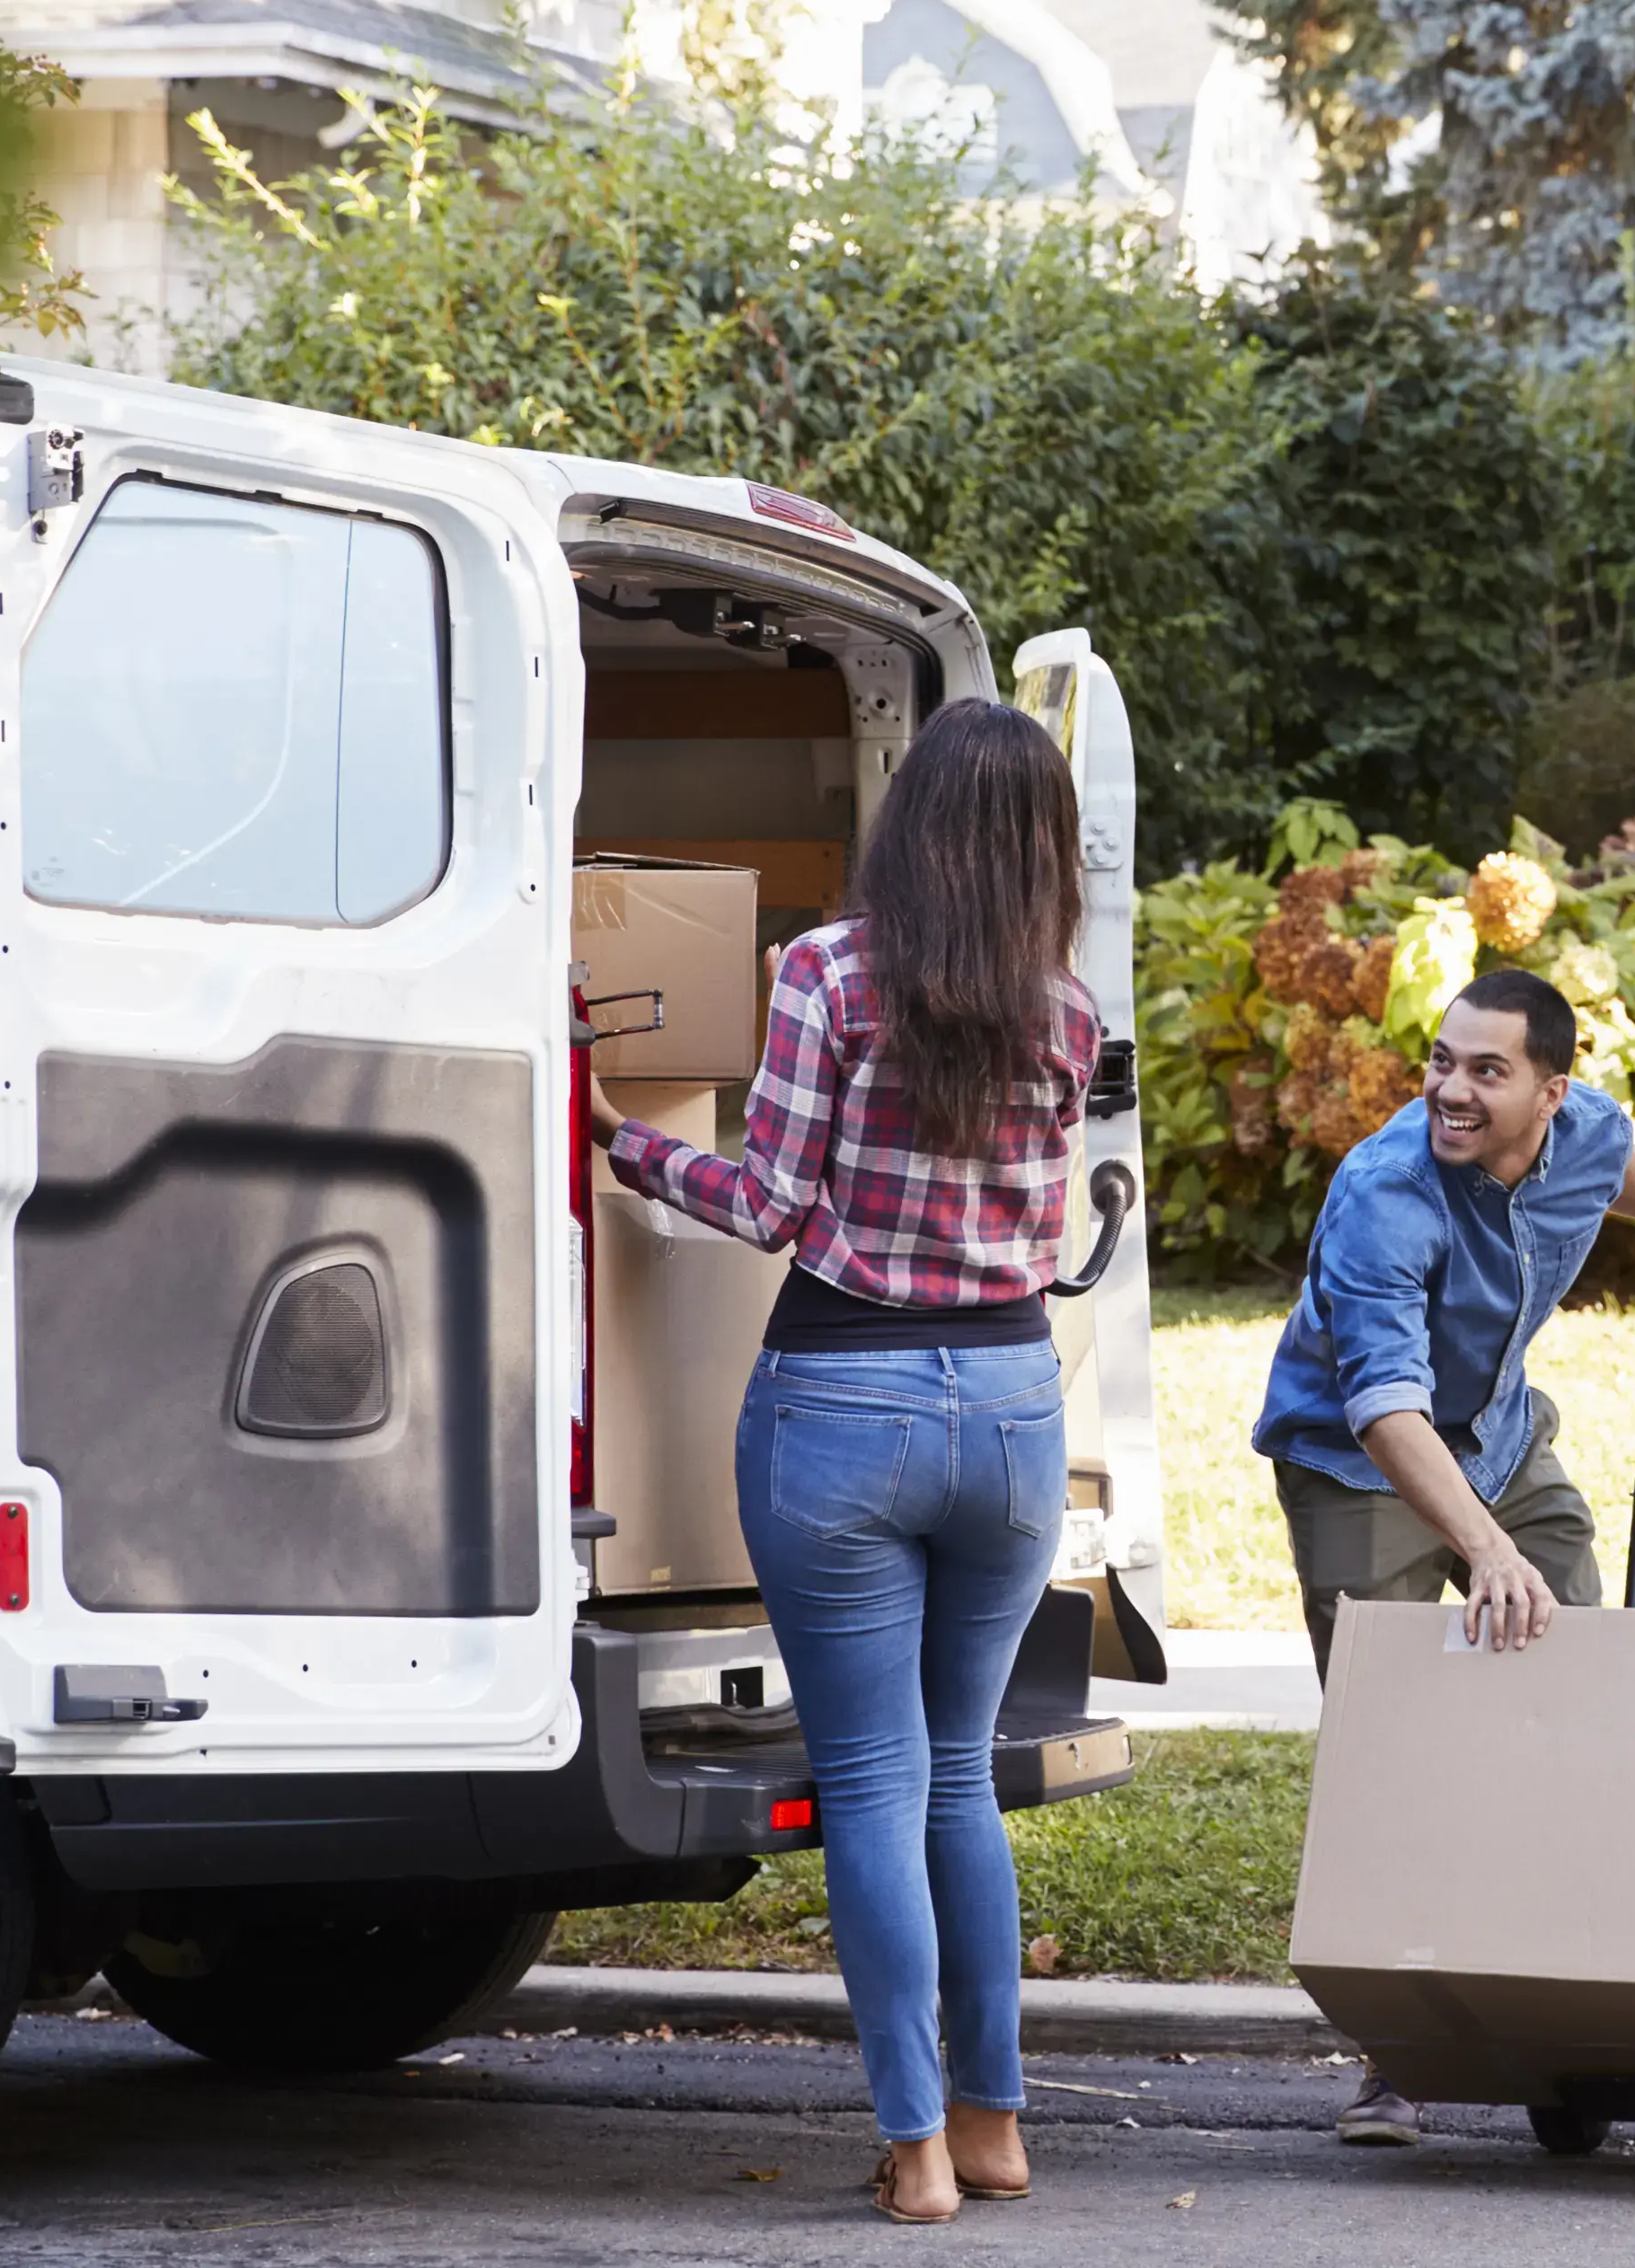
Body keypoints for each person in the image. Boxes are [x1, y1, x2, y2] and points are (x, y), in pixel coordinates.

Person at [587, 697, 1100, 2226]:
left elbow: (761, 1203)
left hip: (844, 1403)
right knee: (959, 1780)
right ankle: (996, 2123)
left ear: (911, 825)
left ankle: (916, 2150)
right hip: (1011, 1406)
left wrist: (620, 1133)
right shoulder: (1066, 1010)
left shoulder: (824, 973)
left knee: (871, 1780)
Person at [1252, 964, 1635, 2149]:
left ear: (1549, 1091)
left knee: (1582, 1695)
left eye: (1488, 1070)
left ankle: (1569, 2000)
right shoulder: (1383, 1192)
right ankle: (1398, 2061)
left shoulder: (1581, 1134)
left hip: (1499, 1437)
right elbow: (1383, 1407)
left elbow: (1618, 1174)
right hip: (1356, 1464)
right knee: (1399, 1753)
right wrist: (1481, 1550)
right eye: (1442, 1063)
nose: (1453, 1091)